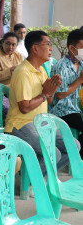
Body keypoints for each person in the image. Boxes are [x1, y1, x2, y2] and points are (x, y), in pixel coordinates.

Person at [5, 30, 80, 176]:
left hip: (40, 123)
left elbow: (49, 100)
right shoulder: (23, 72)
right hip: (20, 124)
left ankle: (33, 175)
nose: (51, 48)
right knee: (55, 153)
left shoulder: (41, 70)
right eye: (47, 44)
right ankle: (32, 182)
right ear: (35, 48)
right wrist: (45, 94)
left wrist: (52, 90)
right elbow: (25, 108)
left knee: (74, 146)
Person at [51, 29, 83, 157]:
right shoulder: (61, 66)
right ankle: (76, 156)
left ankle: (76, 153)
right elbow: (60, 94)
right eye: (82, 47)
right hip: (62, 110)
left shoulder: (80, 63)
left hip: (75, 108)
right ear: (71, 47)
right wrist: (80, 79)